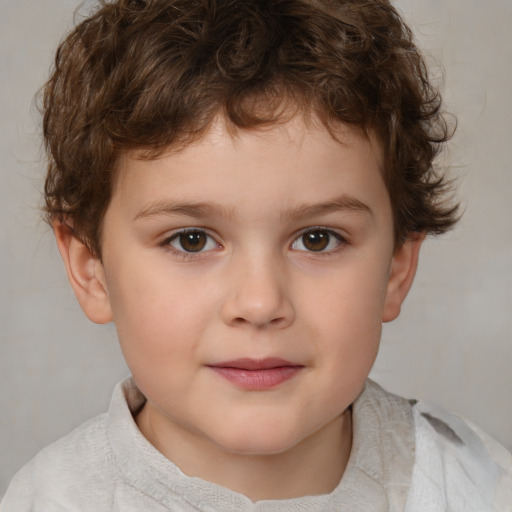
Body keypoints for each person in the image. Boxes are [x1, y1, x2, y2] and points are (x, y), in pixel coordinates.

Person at [2, 0, 511, 510]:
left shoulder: (475, 489)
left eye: (317, 239)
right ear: (92, 270)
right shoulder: (47, 500)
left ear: (397, 267)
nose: (261, 302)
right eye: (191, 240)